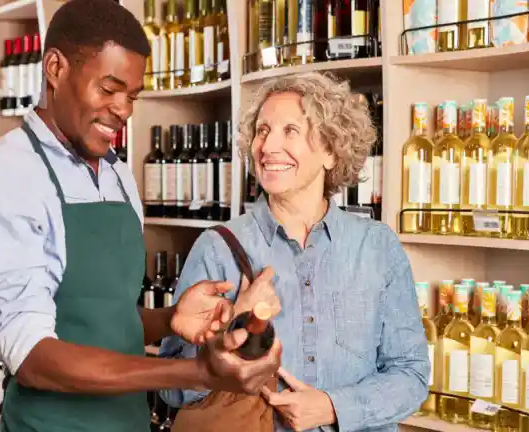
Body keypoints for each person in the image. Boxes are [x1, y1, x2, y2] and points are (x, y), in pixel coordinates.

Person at [0, 0, 282, 431]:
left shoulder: (117, 174)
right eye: (108, 89)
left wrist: (170, 319)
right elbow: (33, 358)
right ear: (55, 68)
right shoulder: (5, 177)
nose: (124, 110)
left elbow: (96, 319)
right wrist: (197, 373)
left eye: (131, 96)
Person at [159, 72, 430, 431]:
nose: (268, 147)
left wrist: (334, 407)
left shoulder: (377, 247)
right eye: (262, 130)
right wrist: (232, 326)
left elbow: (411, 375)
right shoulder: (218, 247)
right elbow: (171, 388)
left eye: (290, 131)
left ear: (331, 151)